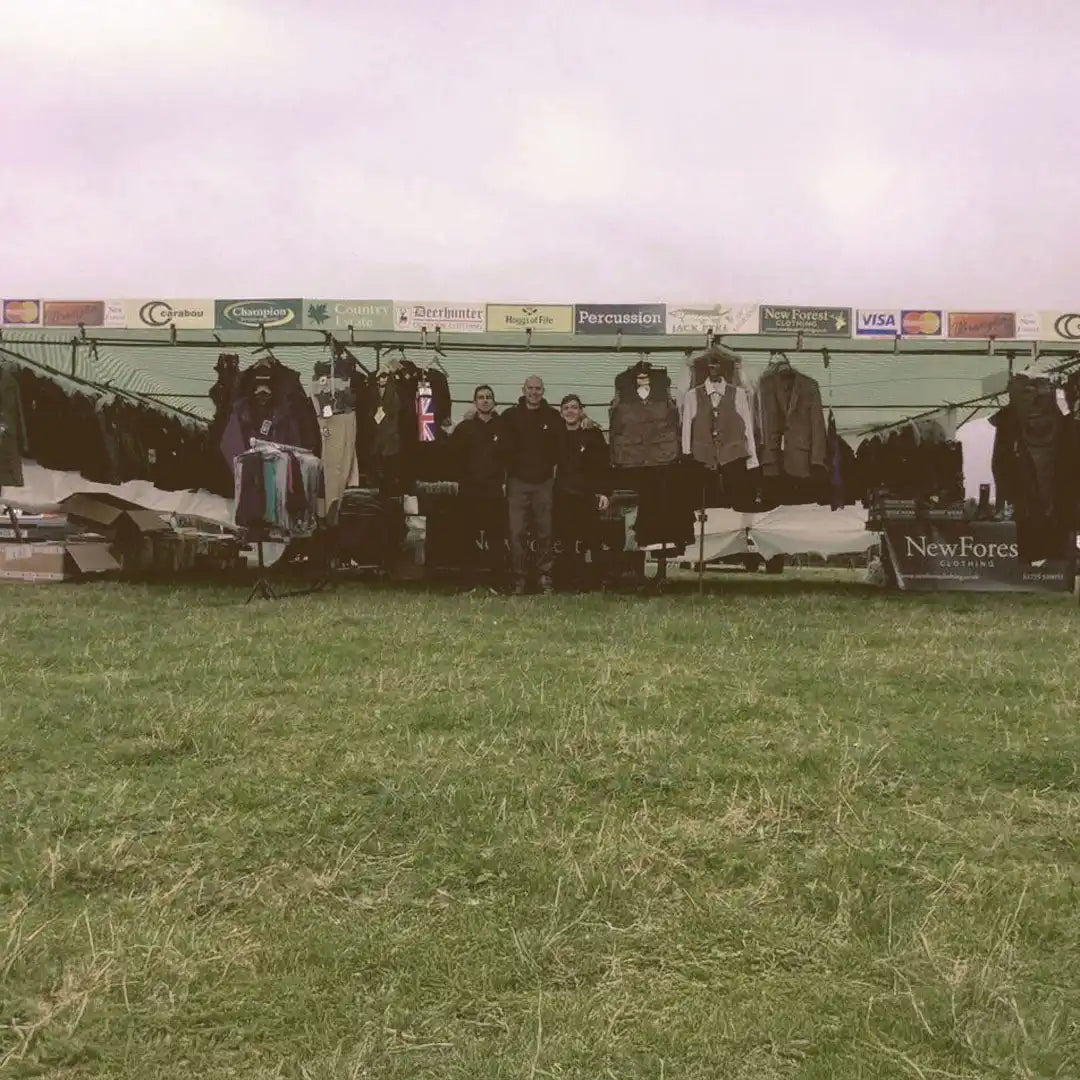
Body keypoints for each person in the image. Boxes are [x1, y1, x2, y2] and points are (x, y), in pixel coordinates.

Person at [500, 375, 562, 594]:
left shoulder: (553, 417)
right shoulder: (510, 416)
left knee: (545, 532)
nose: (534, 392)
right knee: (517, 533)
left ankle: (545, 577)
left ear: (543, 391)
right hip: (517, 482)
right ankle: (520, 579)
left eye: (538, 388)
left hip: (544, 483)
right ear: (523, 389)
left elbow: (561, 448)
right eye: (530, 388)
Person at [449, 384, 507, 588]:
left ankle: (497, 583)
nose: (485, 400)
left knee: (496, 538)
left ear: (494, 401)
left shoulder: (503, 428)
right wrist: (460, 480)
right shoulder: (464, 428)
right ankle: (468, 582)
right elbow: (452, 457)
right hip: (470, 490)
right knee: (467, 536)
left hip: (494, 491)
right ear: (474, 402)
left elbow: (510, 457)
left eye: (489, 397)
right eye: (481, 397)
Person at [553, 394, 612, 591]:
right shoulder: (555, 434)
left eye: (574, 407)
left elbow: (603, 466)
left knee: (592, 539)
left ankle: (595, 581)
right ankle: (568, 582)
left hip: (586, 495)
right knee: (566, 541)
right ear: (561, 412)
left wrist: (604, 492)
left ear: (581, 411)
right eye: (566, 408)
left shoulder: (592, 434)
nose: (570, 411)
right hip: (562, 495)